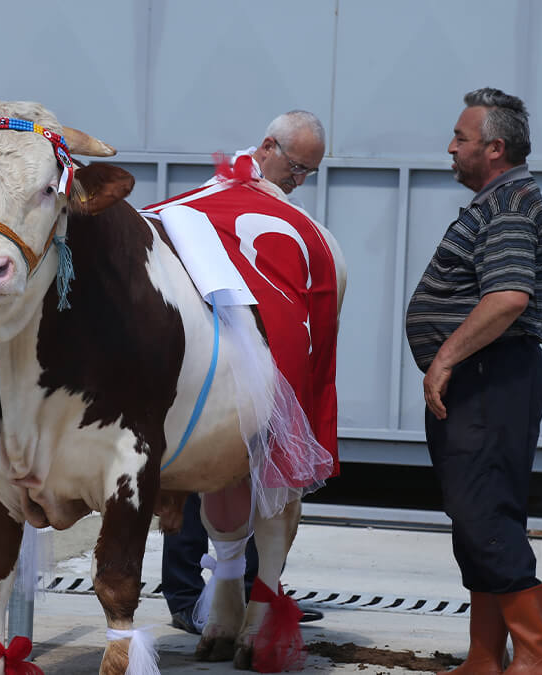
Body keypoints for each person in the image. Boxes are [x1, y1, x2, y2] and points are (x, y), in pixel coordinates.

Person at [405, 88, 542, 674]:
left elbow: (508, 298)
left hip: (491, 379)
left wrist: (444, 358)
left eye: (461, 138)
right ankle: (484, 657)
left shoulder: (512, 205)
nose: (450, 147)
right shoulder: (496, 202)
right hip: (481, 382)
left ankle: (536, 660)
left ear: (494, 148)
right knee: (476, 514)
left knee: (483, 514)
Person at [160, 110, 329, 634]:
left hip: (252, 361)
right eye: (295, 168)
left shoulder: (273, 214)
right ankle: (187, 594)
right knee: (193, 473)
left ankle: (253, 585)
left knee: (259, 468)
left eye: (308, 174)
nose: (298, 182)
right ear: (268, 147)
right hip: (203, 364)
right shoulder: (207, 203)